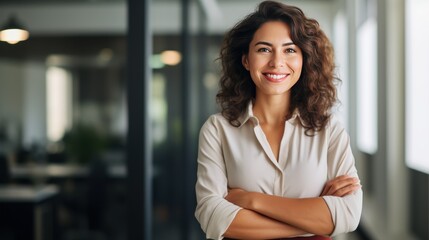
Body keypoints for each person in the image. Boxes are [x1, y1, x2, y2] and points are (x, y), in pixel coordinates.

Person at [194, 1, 363, 240]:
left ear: (303, 59)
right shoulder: (217, 130)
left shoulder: (329, 129)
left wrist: (252, 200)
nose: (276, 62)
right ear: (246, 60)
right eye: (264, 49)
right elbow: (212, 217)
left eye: (290, 50)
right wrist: (318, 220)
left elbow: (349, 214)